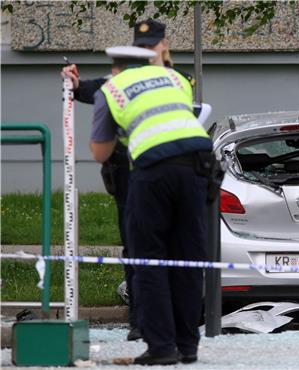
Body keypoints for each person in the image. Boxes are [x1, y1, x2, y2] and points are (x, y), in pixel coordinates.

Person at [60, 19, 195, 342]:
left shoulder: (178, 79)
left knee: (175, 248)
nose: (146, 51)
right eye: (141, 46)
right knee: (137, 249)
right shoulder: (122, 78)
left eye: (151, 45)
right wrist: (75, 85)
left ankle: (176, 330)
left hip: (167, 168)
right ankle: (142, 321)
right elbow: (98, 89)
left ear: (165, 45)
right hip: (129, 173)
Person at [90, 45, 214, 366]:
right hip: (200, 163)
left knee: (149, 258)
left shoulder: (111, 89)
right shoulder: (174, 78)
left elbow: (100, 153)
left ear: (115, 68)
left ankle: (161, 347)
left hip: (155, 169)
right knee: (187, 259)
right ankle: (188, 346)